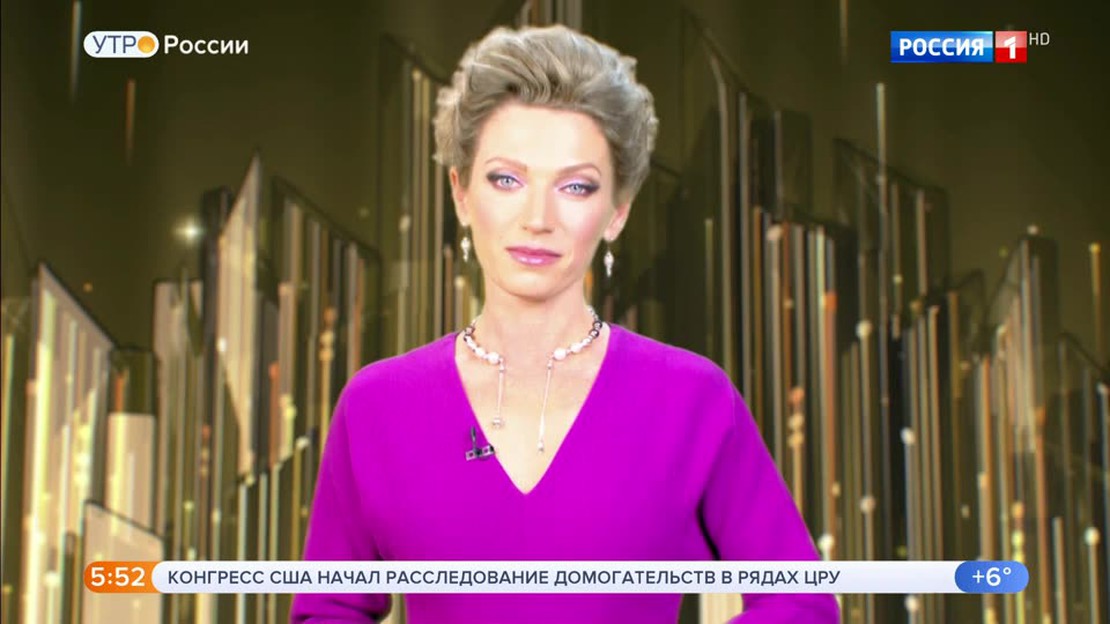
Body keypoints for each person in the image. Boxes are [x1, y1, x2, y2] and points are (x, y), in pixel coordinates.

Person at [290, 24, 839, 624]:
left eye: (575, 186)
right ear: (460, 193)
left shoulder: (692, 398)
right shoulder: (376, 405)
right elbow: (328, 610)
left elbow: (800, 601)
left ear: (618, 212)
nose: (538, 218)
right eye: (507, 179)